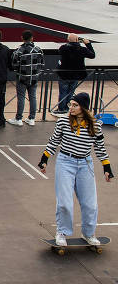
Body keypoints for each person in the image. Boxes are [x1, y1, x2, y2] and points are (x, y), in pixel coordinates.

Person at [38, 92, 113, 247]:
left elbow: (100, 148)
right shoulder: (63, 121)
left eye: (75, 105)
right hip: (65, 162)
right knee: (65, 202)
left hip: (85, 164)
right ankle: (62, 232)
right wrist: (44, 159)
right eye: (70, 104)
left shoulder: (95, 125)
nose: (70, 108)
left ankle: (88, 234)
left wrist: (107, 167)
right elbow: (54, 141)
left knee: (90, 203)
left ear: (83, 108)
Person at [11, 30, 45, 126]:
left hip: (22, 78)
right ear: (32, 38)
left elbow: (14, 65)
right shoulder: (38, 50)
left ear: (22, 38)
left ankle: (18, 119)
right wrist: (36, 74)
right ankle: (31, 118)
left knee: (21, 98)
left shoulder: (19, 51)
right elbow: (42, 65)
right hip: (34, 78)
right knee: (33, 97)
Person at [55, 34, 95, 113]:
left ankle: (61, 109)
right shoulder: (82, 49)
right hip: (76, 75)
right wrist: (88, 44)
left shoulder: (63, 48)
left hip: (64, 74)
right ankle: (68, 108)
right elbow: (92, 55)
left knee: (63, 92)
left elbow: (61, 50)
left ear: (68, 40)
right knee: (70, 92)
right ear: (77, 40)